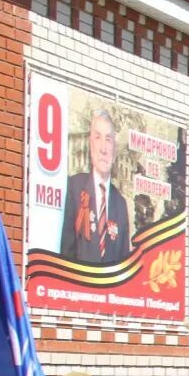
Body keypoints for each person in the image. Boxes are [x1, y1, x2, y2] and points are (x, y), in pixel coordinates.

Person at [58, 110, 132, 267]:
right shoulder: (75, 187)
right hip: (80, 288)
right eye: (98, 138)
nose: (103, 149)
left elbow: (124, 264)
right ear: (91, 145)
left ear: (114, 150)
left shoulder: (120, 203)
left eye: (108, 139)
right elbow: (66, 251)